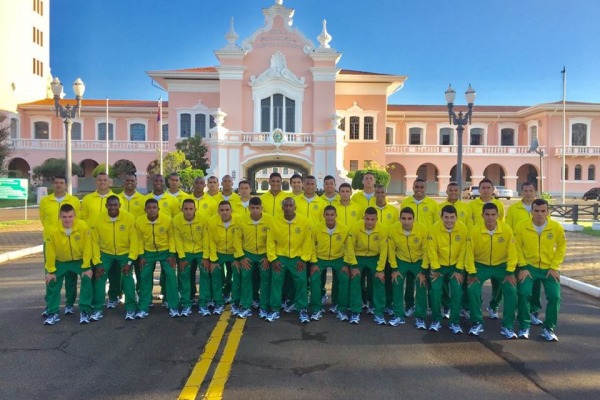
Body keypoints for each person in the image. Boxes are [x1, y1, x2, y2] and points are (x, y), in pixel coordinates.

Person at [514, 199, 566, 341]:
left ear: (547, 212)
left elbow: (561, 246)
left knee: (555, 297)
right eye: (536, 211)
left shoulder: (556, 227)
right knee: (523, 293)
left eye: (543, 211)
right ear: (531, 211)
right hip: (528, 267)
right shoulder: (522, 226)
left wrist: (555, 266)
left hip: (549, 268)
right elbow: (517, 247)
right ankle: (524, 325)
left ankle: (548, 328)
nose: (539, 214)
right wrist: (523, 266)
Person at [465, 203, 518, 338]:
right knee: (472, 289)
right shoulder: (474, 230)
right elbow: (469, 253)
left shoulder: (506, 230)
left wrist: (510, 271)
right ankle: (477, 321)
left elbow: (512, 252)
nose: (490, 218)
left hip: (501, 266)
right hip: (480, 265)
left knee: (511, 290)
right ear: (482, 215)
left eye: (493, 214)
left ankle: (508, 325)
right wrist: (471, 272)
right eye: (487, 214)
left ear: (498, 216)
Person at [89, 195, 139, 321]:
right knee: (99, 278)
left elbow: (134, 241)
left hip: (124, 253)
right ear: (106, 206)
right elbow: (94, 242)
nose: (112, 207)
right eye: (110, 205)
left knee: (128, 279)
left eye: (115, 205)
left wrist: (130, 260)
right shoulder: (98, 219)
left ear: (119, 206)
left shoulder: (129, 218)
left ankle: (131, 308)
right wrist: (97, 263)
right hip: (105, 253)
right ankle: (97, 309)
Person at [43, 204, 93, 325]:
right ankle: (53, 312)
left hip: (78, 260)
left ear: (75, 216)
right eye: (64, 217)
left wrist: (86, 266)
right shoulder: (52, 229)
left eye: (70, 216)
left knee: (87, 278)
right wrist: (51, 270)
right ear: (59, 216)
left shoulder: (82, 226)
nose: (67, 220)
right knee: (52, 282)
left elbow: (88, 247)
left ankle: (85, 310)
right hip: (60, 261)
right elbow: (50, 250)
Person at [265, 197, 313, 323]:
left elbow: (308, 241)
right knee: (276, 282)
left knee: (301, 282)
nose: (288, 208)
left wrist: (303, 259)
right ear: (282, 208)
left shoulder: (304, 221)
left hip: (298, 258)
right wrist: (273, 259)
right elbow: (270, 241)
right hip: (280, 257)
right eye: (286, 206)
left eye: (290, 205)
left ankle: (302, 309)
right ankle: (275, 309)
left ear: (295, 207)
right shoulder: (274, 221)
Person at [39, 175, 81, 317]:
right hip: (51, 242)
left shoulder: (74, 201)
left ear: (65, 185)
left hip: (70, 241)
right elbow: (44, 219)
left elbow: (77, 219)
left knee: (71, 275)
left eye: (61, 183)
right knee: (51, 274)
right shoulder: (45, 201)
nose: (58, 185)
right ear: (53, 184)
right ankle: (50, 304)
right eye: (56, 182)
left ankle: (69, 304)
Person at [506, 182, 544, 326]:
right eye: (525, 190)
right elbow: (508, 229)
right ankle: (518, 311)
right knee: (517, 285)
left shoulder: (540, 207)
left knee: (535, 287)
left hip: (535, 256)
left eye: (531, 190)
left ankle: (533, 311)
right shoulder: (514, 208)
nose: (528, 193)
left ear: (535, 192)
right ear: (521, 192)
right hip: (517, 253)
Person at [401, 178, 439, 316]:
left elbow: (436, 225)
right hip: (411, 246)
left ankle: (428, 306)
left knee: (427, 278)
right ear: (413, 187)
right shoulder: (406, 202)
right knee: (411, 279)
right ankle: (409, 305)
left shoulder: (433, 204)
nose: (419, 189)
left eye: (422, 187)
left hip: (427, 246)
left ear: (426, 188)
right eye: (416, 186)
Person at [427, 205, 468, 334]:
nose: (449, 220)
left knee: (457, 291)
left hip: (455, 266)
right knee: (435, 291)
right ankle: (436, 319)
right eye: (446, 217)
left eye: (452, 217)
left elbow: (463, 250)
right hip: (439, 265)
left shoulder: (463, 228)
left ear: (456, 217)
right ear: (441, 217)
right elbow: (431, 249)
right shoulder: (434, 229)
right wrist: (436, 267)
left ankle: (454, 322)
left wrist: (458, 268)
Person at [135, 198, 178, 319]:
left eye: (154, 207)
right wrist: (141, 255)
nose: (152, 210)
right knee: (144, 278)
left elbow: (172, 238)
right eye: (149, 208)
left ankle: (173, 305)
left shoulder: (167, 220)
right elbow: (138, 239)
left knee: (171, 276)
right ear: (145, 210)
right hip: (148, 253)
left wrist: (172, 254)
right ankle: (143, 307)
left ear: (158, 209)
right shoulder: (139, 221)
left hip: (165, 252)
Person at [345, 207, 389, 325]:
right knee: (355, 278)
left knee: (379, 279)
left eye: (372, 219)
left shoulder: (382, 229)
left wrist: (380, 269)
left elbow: (384, 251)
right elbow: (350, 247)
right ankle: (355, 310)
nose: (369, 222)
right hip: (358, 257)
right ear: (363, 218)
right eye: (367, 219)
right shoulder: (356, 227)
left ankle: (378, 311)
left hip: (374, 257)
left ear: (377, 219)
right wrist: (353, 266)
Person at [469, 178, 505, 320]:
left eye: (488, 187)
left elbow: (501, 223)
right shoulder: (472, 205)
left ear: (492, 190)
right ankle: (475, 307)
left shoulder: (499, 205)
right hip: (478, 246)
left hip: (496, 248)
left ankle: (494, 305)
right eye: (483, 187)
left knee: (500, 284)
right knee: (473, 282)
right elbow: (469, 223)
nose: (485, 190)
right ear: (479, 190)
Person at [387, 207, 429, 329]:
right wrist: (394, 269)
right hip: (401, 260)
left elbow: (426, 250)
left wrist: (423, 270)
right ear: (399, 219)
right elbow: (391, 250)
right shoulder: (393, 229)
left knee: (421, 284)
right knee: (397, 282)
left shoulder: (422, 229)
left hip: (418, 260)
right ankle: (398, 315)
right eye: (404, 218)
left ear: (413, 219)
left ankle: (420, 316)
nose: (406, 221)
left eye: (409, 218)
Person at [233, 197, 272, 319]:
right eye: (253, 208)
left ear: (261, 208)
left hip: (264, 254)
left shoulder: (269, 220)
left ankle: (264, 306)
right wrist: (242, 257)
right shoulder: (241, 220)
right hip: (248, 254)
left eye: (257, 208)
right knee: (246, 279)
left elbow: (272, 240)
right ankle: (246, 306)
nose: (255, 210)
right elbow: (237, 240)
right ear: (249, 208)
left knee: (265, 279)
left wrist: (268, 256)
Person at [310, 206, 349, 321]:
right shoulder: (317, 228)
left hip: (338, 258)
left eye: (332, 215)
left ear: (336, 215)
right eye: (327, 214)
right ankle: (317, 309)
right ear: (324, 215)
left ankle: (341, 309)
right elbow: (311, 246)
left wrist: (346, 263)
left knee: (344, 278)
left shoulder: (344, 228)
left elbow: (348, 247)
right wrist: (314, 262)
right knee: (314, 278)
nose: (330, 217)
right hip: (320, 258)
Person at [172, 199, 207, 317]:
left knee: (205, 276)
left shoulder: (202, 219)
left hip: (201, 251)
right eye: (186, 209)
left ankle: (203, 303)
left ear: (195, 210)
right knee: (184, 277)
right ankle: (186, 304)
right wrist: (181, 257)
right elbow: (177, 239)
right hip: (186, 252)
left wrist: (206, 257)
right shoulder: (176, 220)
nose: (188, 212)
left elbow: (206, 238)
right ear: (182, 209)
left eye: (191, 209)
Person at [204, 201, 239, 316]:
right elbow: (210, 241)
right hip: (218, 253)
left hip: (234, 253)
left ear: (231, 210)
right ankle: (218, 302)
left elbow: (240, 239)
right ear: (218, 211)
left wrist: (238, 257)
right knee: (216, 277)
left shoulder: (238, 220)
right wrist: (213, 260)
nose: (224, 213)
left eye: (227, 210)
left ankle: (235, 302)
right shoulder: (212, 221)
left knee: (237, 277)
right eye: (222, 210)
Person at [188, 176, 217, 304]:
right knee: (189, 273)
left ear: (204, 185)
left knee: (206, 273)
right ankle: (190, 295)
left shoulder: (211, 201)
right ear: (193, 184)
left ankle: (207, 296)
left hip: (205, 243)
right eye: (196, 183)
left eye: (201, 183)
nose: (199, 185)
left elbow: (215, 221)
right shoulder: (186, 200)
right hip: (188, 244)